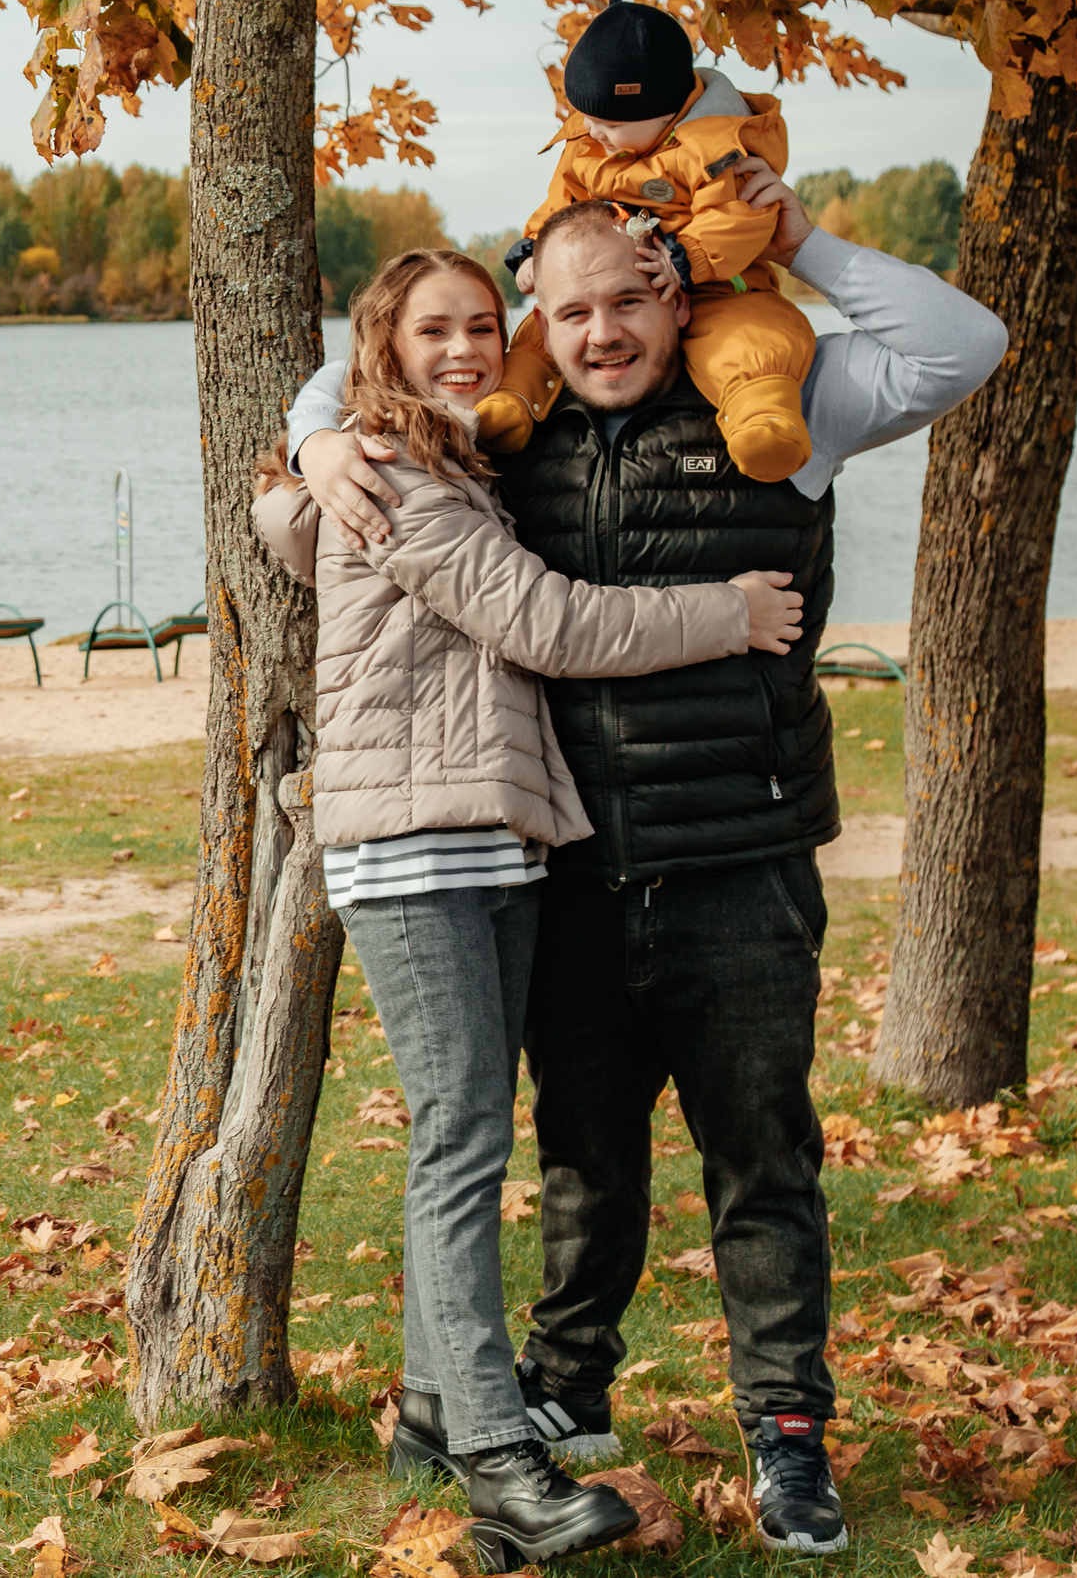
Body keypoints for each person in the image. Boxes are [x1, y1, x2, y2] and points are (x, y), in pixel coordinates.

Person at [280, 170, 1008, 1559]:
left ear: (680, 295)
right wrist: (315, 434)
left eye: (629, 299)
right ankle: (562, 1400)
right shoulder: (511, 438)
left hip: (738, 852)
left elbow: (961, 347)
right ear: (540, 321)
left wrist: (793, 241)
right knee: (583, 1163)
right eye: (571, 309)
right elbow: (397, 354)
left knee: (762, 1160)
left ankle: (787, 1431)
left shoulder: (787, 417)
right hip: (562, 867)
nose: (601, 331)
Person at [251, 246, 809, 1569]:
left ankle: (437, 1409)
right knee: (458, 1141)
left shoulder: (438, 466)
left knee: (467, 1129)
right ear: (382, 348)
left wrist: (309, 446)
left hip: (486, 842)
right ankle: (500, 1456)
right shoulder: (392, 476)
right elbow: (549, 622)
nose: (462, 348)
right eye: (432, 329)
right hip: (416, 843)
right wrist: (725, 611)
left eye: (481, 327)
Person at [474, 0, 818, 485]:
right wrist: (534, 247)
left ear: (666, 115)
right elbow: (560, 205)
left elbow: (738, 216)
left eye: (611, 124)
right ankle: (512, 404)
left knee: (749, 338)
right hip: (608, 279)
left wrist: (686, 258)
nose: (595, 133)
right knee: (546, 331)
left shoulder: (719, 147)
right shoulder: (590, 144)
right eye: (588, 118)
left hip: (719, 283)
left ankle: (762, 419)